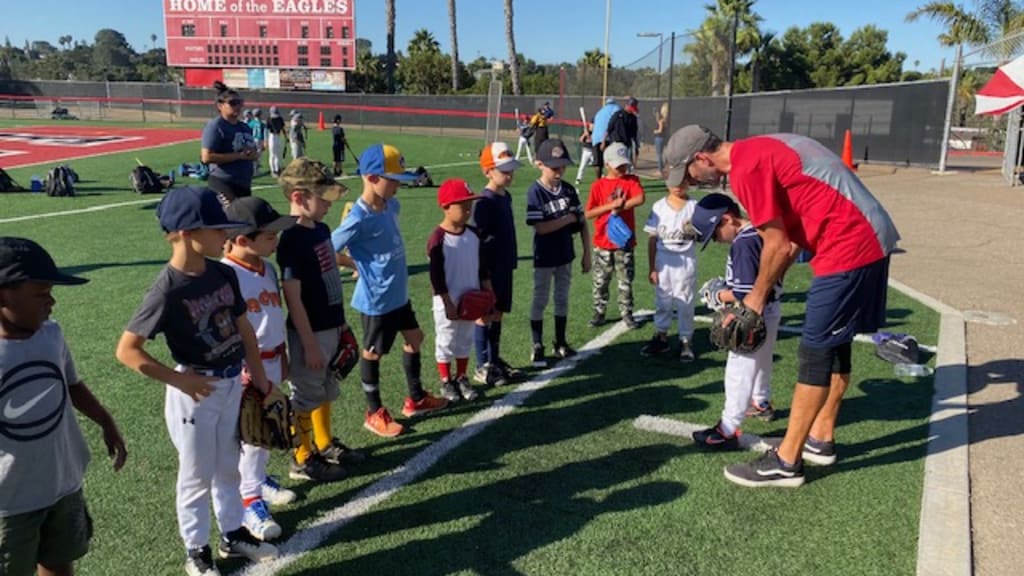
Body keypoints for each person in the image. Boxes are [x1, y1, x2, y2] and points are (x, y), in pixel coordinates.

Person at [663, 124, 900, 488]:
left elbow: (779, 245)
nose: (691, 182)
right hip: (864, 236)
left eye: (690, 173)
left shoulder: (744, 169)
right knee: (836, 345)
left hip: (849, 244)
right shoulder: (759, 146)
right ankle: (820, 438)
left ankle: (787, 461)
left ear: (702, 157)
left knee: (815, 353)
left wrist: (755, 300)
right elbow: (786, 243)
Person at [115, 186, 278, 573]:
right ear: (188, 232)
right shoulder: (168, 288)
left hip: (231, 383)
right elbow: (127, 350)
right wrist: (179, 381)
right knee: (195, 474)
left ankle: (233, 534)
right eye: (216, 228)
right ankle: (196, 552)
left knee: (228, 466)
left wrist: (259, 379)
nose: (224, 235)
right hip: (195, 390)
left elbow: (244, 329)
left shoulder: (221, 272)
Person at [0, 237, 127, 576]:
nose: (51, 302)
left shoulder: (51, 334)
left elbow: (71, 384)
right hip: (9, 502)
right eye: (41, 294)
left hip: (62, 482)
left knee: (59, 562)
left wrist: (105, 420)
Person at [331, 144, 450, 438]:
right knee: (372, 353)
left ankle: (416, 399)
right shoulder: (358, 217)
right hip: (377, 300)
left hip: (398, 294)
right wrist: (354, 263)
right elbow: (327, 249)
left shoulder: (391, 205)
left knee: (415, 338)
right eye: (393, 180)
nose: (398, 185)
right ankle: (373, 412)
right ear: (371, 177)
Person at [276, 159, 364, 482]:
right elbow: (293, 296)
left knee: (325, 388)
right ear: (299, 197)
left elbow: (329, 274)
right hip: (309, 333)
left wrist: (340, 326)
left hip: (331, 326)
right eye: (322, 195)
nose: (329, 202)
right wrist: (310, 343)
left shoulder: (321, 229)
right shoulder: (291, 239)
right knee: (305, 394)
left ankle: (324, 443)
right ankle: (301, 457)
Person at [221, 197, 299, 541]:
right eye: (269, 236)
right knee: (251, 435)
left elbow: (272, 317)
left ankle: (257, 480)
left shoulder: (265, 267)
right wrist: (245, 369)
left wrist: (283, 359)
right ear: (242, 240)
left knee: (266, 430)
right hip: (248, 369)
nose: (276, 241)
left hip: (273, 360)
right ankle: (248, 500)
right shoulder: (227, 276)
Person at [689, 193, 782, 449]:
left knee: (738, 371)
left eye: (715, 234)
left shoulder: (744, 242)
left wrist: (718, 295)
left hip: (754, 313)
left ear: (727, 219)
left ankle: (727, 429)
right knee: (762, 361)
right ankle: (760, 402)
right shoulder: (760, 232)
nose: (717, 240)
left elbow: (745, 291)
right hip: (771, 308)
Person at [526, 139, 592, 367]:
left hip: (566, 254)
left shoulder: (569, 190)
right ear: (540, 164)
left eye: (562, 166)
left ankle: (560, 342)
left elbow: (582, 222)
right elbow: (541, 227)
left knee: (562, 298)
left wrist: (587, 253)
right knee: (540, 299)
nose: (559, 171)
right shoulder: (535, 192)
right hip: (544, 256)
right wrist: (567, 219)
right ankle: (537, 344)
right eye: (554, 167)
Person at [427, 179, 491, 403]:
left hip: (471, 298)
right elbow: (436, 276)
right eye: (462, 205)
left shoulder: (474, 234)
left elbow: (482, 267)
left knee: (465, 339)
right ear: (446, 206)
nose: (467, 209)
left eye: (469, 204)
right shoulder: (438, 238)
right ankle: (446, 381)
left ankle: (462, 376)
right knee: (446, 340)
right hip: (448, 300)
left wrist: (487, 292)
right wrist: (446, 301)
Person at [473, 142, 524, 387]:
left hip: (505, 265)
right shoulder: (484, 201)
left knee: (499, 313)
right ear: (488, 171)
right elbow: (479, 241)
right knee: (485, 315)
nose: (509, 174)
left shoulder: (506, 196)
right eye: (504, 169)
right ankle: (482, 365)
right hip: (490, 269)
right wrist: (484, 276)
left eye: (511, 169)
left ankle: (494, 359)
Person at [584, 142, 645, 329]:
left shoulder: (631, 180)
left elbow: (640, 198)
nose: (622, 169)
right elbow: (588, 213)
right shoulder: (598, 186)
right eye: (618, 166)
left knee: (625, 280)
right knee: (600, 281)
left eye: (624, 164)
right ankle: (599, 311)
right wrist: (610, 207)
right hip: (602, 243)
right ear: (607, 164)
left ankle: (626, 312)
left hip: (623, 242)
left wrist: (621, 206)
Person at [640, 174, 698, 362]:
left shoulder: (694, 207)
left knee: (685, 301)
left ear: (689, 182)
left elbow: (706, 234)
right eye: (674, 182)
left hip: (685, 260)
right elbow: (652, 238)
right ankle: (662, 336)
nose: (678, 186)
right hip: (663, 260)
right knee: (662, 300)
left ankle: (686, 340)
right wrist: (652, 267)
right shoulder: (659, 207)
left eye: (683, 181)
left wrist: (697, 231)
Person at [200, 81, 257, 203]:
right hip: (223, 182)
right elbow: (206, 156)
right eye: (233, 103)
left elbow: (251, 151)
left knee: (245, 219)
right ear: (220, 106)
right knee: (230, 218)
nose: (238, 106)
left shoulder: (244, 127)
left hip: (243, 183)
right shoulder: (216, 126)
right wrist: (238, 156)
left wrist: (252, 154)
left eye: (240, 103)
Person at [591, 97, 622, 178]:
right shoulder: (616, 108)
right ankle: (612, 179)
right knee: (612, 161)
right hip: (608, 138)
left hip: (595, 139)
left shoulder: (599, 112)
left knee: (598, 163)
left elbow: (593, 126)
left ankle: (598, 181)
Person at [607, 97, 640, 164]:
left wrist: (636, 146)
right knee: (615, 163)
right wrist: (604, 141)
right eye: (631, 108)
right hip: (616, 143)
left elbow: (634, 134)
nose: (632, 110)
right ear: (627, 105)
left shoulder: (633, 118)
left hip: (627, 145)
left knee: (625, 165)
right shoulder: (617, 114)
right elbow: (609, 128)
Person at [267, 107, 286, 177]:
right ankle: (273, 170)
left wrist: (285, 137)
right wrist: (265, 140)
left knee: (278, 153)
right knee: (272, 154)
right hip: (272, 136)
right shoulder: (269, 118)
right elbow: (267, 129)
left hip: (278, 136)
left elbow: (282, 128)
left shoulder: (280, 118)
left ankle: (278, 168)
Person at [575, 121, 595, 187]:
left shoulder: (595, 132)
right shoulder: (585, 131)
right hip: (586, 151)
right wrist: (584, 134)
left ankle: (602, 177)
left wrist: (589, 137)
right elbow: (580, 140)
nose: (592, 126)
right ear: (589, 125)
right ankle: (578, 179)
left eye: (593, 125)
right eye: (591, 125)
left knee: (596, 165)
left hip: (593, 151)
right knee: (582, 165)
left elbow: (592, 141)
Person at [248, 109, 266, 174]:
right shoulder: (261, 123)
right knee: (258, 155)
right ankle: (256, 170)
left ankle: (254, 169)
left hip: (252, 139)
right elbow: (263, 133)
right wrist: (264, 142)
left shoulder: (251, 123)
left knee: (254, 154)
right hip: (259, 139)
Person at [653, 103, 667, 174]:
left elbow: (660, 130)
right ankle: (662, 168)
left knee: (659, 154)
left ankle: (660, 170)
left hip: (659, 138)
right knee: (660, 154)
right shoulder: (664, 120)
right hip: (662, 138)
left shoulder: (661, 121)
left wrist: (655, 131)